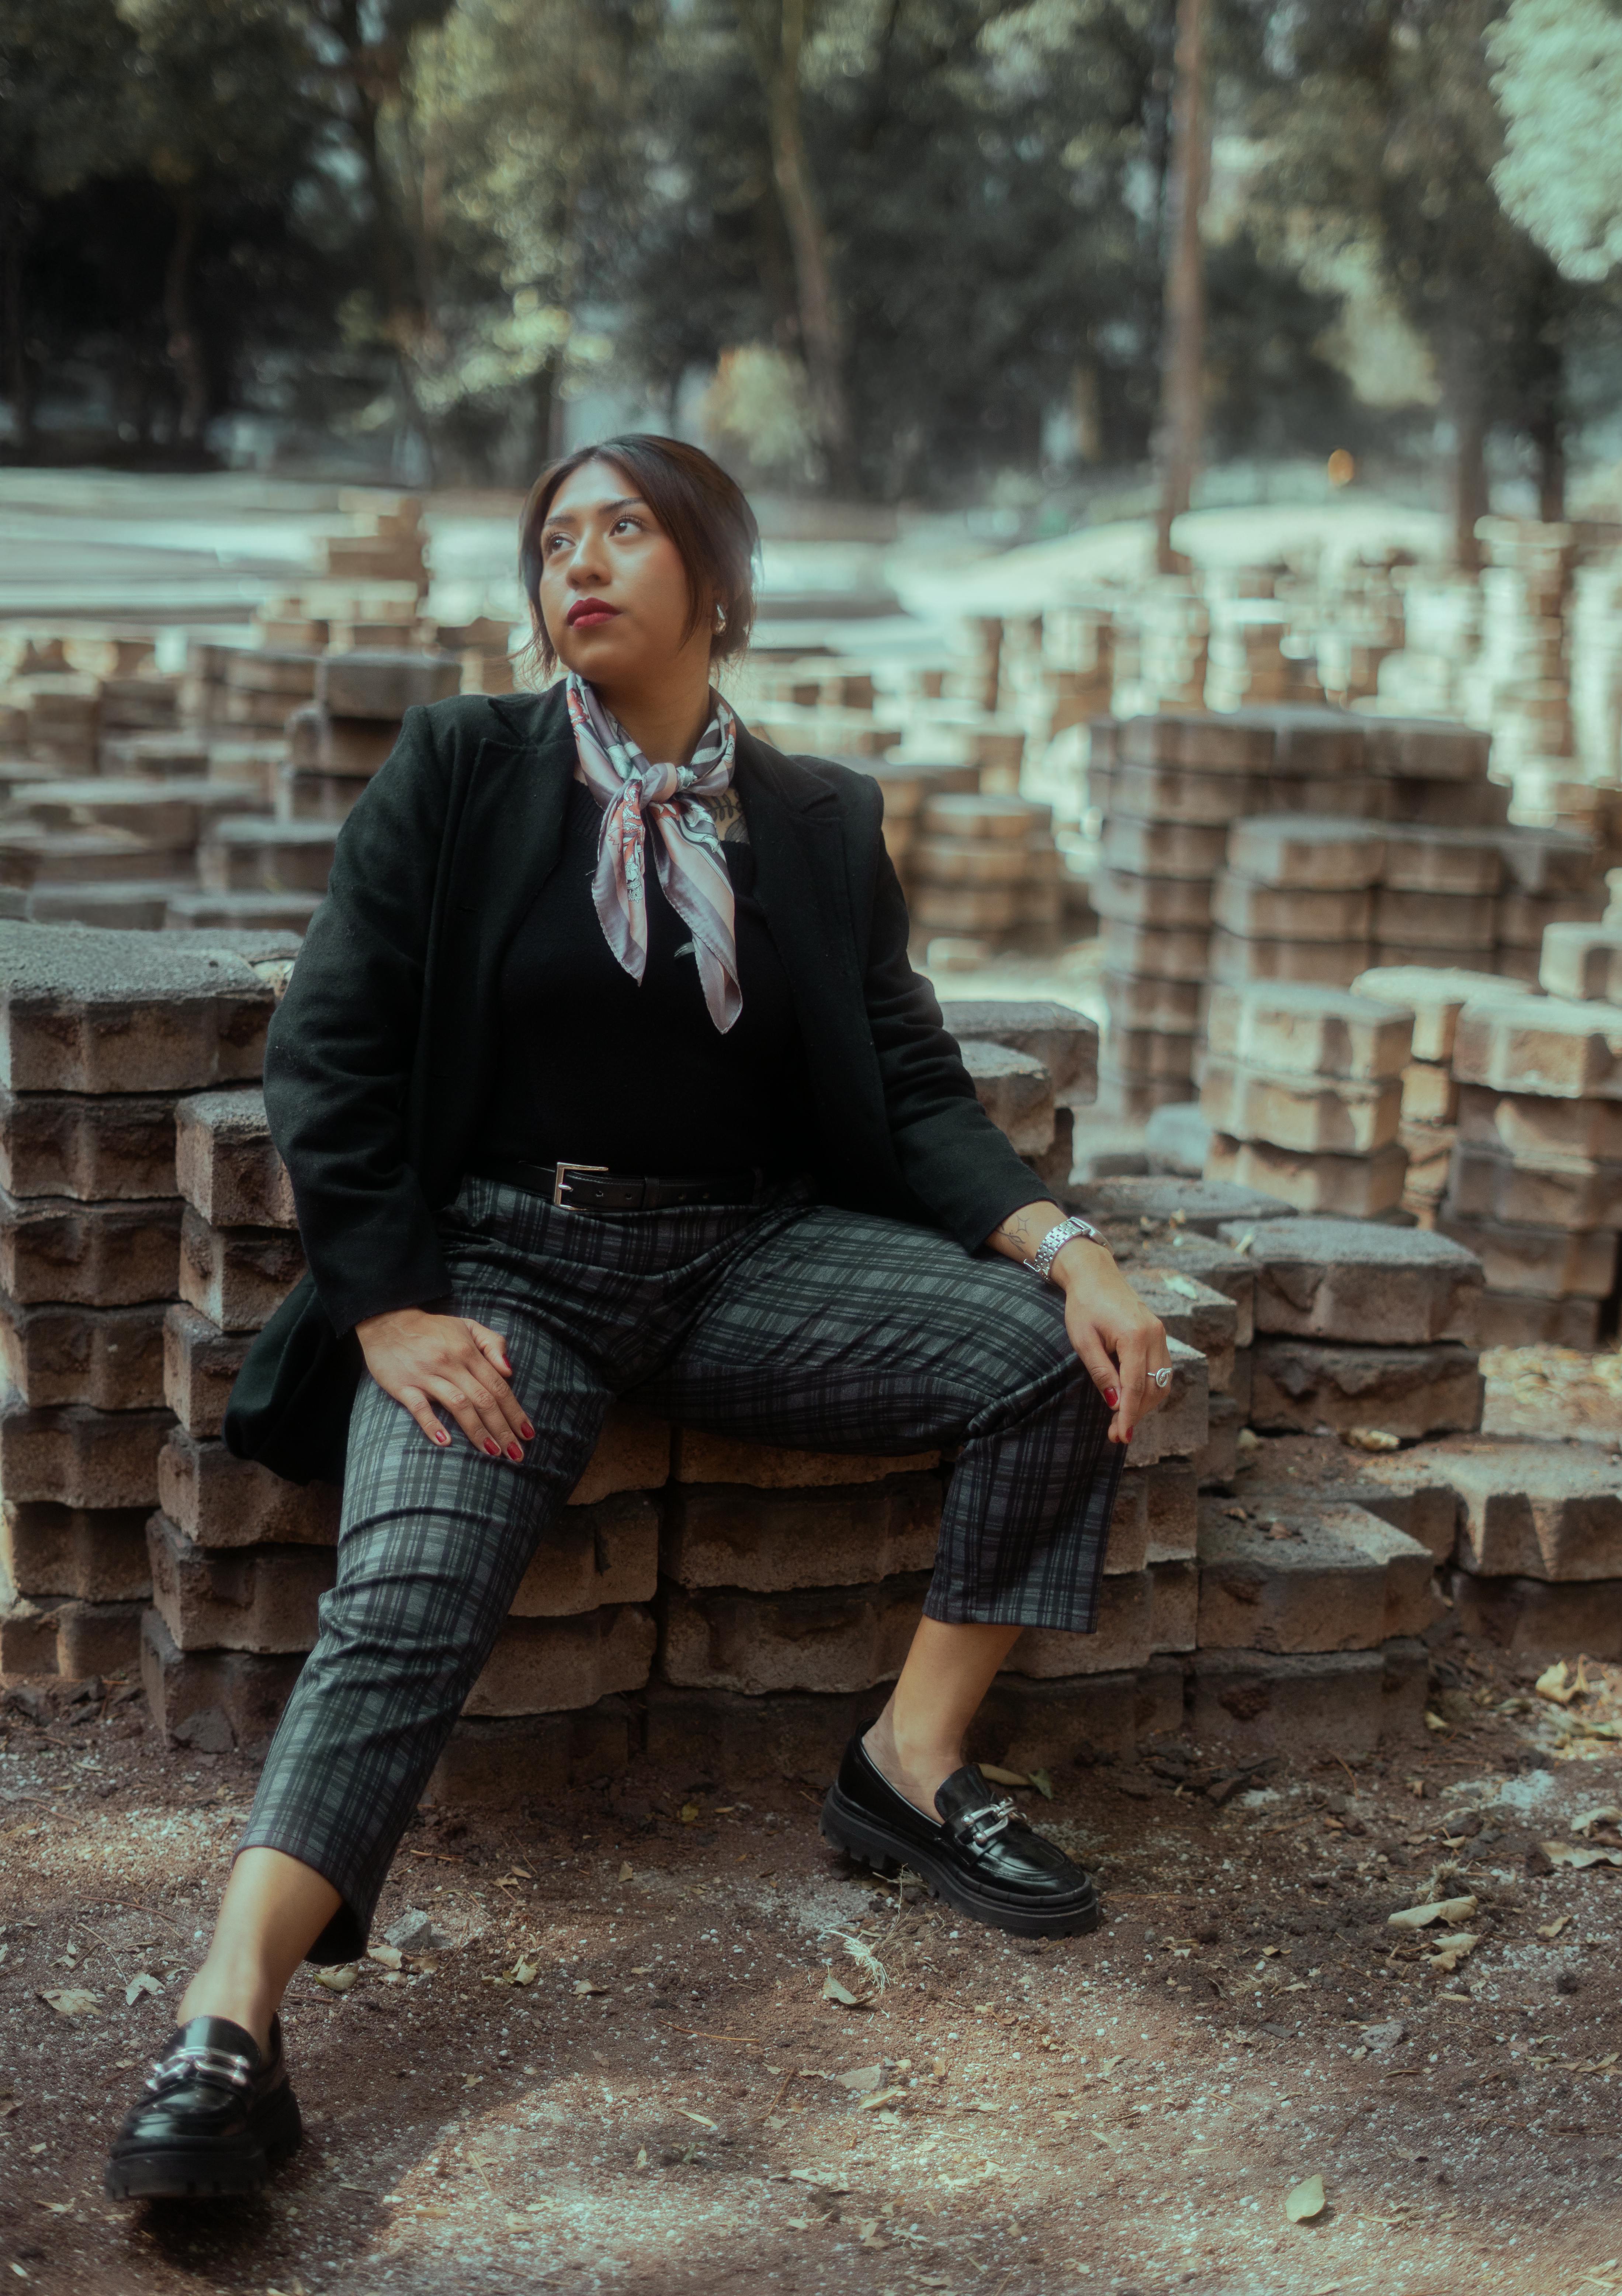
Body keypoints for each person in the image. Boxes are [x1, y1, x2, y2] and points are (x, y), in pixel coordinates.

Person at [105, 435, 1169, 2201]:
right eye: (552, 540)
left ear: (719, 582)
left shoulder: (819, 819)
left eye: (624, 529)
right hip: (509, 1275)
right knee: (406, 1595)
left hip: (747, 1259)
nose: (576, 562)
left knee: (1049, 1361)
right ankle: (230, 2020)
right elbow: (334, 1051)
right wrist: (388, 1309)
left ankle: (906, 1763)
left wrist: (1067, 1246)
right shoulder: (465, 766)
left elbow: (907, 1083)